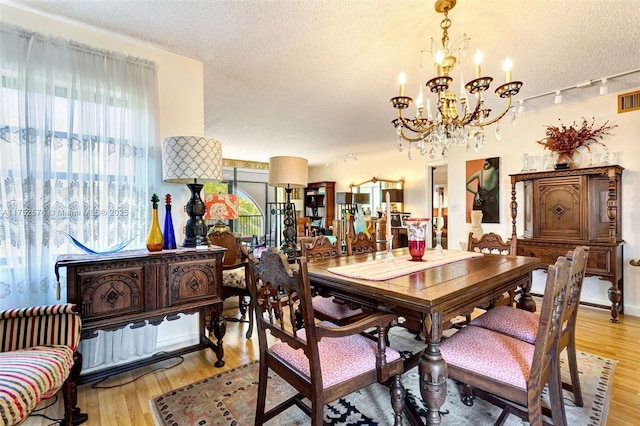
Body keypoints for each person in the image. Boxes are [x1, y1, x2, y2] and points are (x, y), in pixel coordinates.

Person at [466, 158, 500, 223]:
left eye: (486, 164)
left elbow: (465, 184)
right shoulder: (498, 174)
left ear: (491, 163)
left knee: (476, 224)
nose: (483, 167)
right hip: (493, 205)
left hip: (479, 203)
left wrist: (476, 193)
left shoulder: (480, 173)